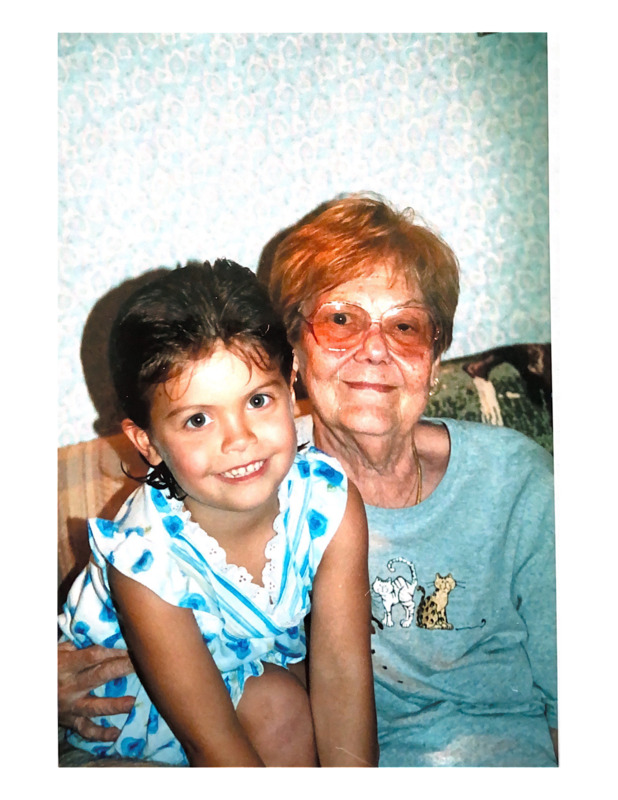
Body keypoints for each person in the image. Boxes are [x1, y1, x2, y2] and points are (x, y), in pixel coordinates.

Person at [59, 194, 557, 767]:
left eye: (405, 326)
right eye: (341, 320)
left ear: (435, 353)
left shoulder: (508, 484)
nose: (374, 349)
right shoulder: (235, 480)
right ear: (293, 347)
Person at [58, 259, 377, 767]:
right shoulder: (144, 561)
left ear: (291, 386)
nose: (239, 439)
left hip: (252, 664)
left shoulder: (330, 502)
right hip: (138, 707)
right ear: (148, 442)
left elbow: (344, 675)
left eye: (257, 400)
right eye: (198, 419)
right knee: (280, 706)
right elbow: (213, 747)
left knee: (303, 698)